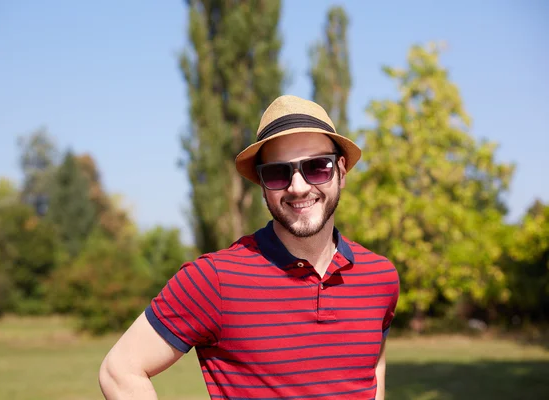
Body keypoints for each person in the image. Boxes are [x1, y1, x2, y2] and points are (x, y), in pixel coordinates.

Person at [99, 95, 400, 399]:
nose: (298, 187)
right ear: (261, 183)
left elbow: (373, 371)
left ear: (342, 171)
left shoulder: (380, 277)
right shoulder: (213, 279)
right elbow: (120, 369)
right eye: (277, 172)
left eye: (317, 167)